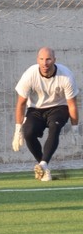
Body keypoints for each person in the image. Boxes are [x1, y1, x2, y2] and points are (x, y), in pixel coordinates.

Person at [12, 46, 79, 182]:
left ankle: (42, 164)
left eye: (48, 59)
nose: (45, 63)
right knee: (28, 133)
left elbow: (72, 105)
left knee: (55, 128)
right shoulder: (30, 75)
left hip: (59, 107)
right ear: (37, 60)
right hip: (36, 109)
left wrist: (75, 129)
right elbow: (21, 103)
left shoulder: (66, 75)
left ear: (54, 60)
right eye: (41, 59)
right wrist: (18, 130)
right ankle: (44, 166)